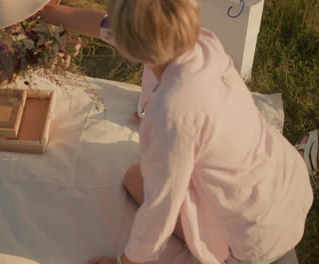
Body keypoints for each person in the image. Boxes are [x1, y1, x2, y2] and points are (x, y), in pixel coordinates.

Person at [39, 1, 314, 264]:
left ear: (129, 46)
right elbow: (101, 23)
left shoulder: (172, 115)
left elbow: (160, 210)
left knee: (135, 179)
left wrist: (126, 261)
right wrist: (52, 12)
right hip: (288, 184)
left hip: (253, 237)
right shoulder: (202, 41)